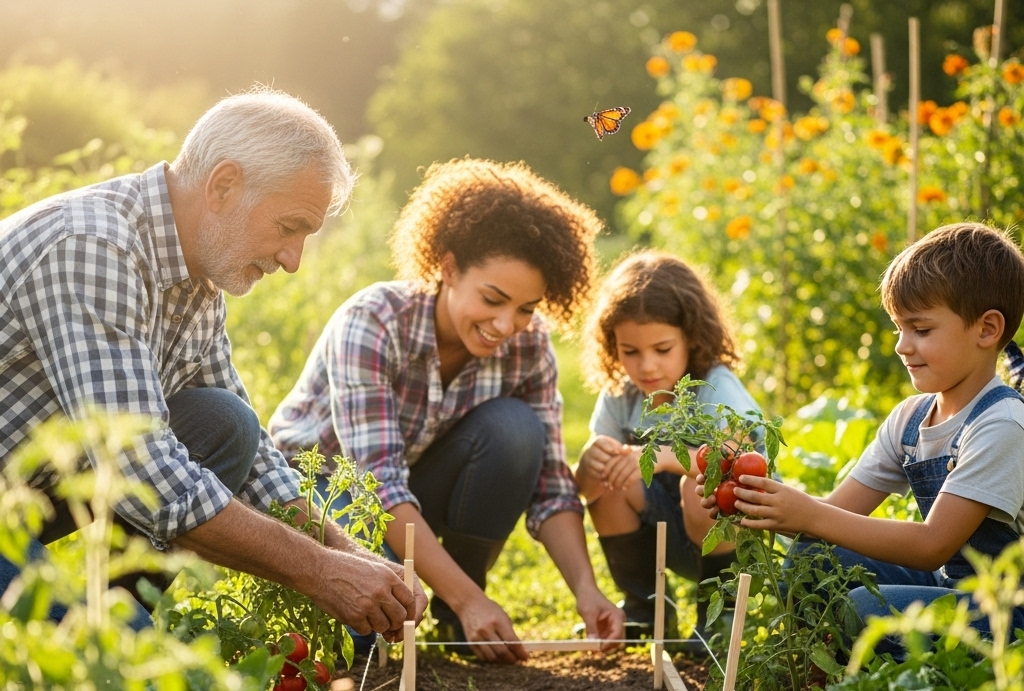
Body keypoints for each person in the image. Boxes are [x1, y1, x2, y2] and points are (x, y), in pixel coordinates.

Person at [0, 88, 424, 639]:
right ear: (223, 186)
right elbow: (145, 466)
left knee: (225, 422)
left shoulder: (197, 275)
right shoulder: (91, 245)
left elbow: (252, 462)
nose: (293, 261)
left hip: (24, 485)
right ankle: (104, 656)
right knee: (82, 680)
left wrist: (348, 552)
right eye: (289, 227)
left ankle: (117, 631)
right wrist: (319, 571)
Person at [268, 158, 625, 662]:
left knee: (516, 432)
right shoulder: (372, 322)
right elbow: (379, 483)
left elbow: (548, 481)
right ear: (450, 268)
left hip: (411, 485)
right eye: (493, 299)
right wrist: (471, 598)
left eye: (526, 309)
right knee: (369, 627)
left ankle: (460, 613)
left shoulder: (529, 347)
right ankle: (463, 601)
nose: (506, 325)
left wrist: (586, 592)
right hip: (325, 490)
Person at [715, 222, 1024, 638]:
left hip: (1007, 613)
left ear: (987, 329)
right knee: (814, 558)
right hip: (951, 590)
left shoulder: (1002, 423)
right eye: (899, 328)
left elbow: (933, 545)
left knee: (862, 610)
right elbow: (835, 516)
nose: (901, 345)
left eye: (921, 329)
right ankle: (830, 670)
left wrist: (808, 512)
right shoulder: (910, 420)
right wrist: (756, 501)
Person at [574, 250, 761, 645]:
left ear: (692, 338)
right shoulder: (622, 394)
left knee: (701, 484)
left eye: (662, 350)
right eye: (630, 352)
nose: (646, 367)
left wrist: (664, 457)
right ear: (612, 346)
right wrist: (592, 460)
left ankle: (720, 614)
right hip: (658, 535)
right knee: (610, 475)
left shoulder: (714, 386)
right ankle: (646, 607)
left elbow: (734, 460)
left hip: (729, 539)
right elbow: (585, 486)